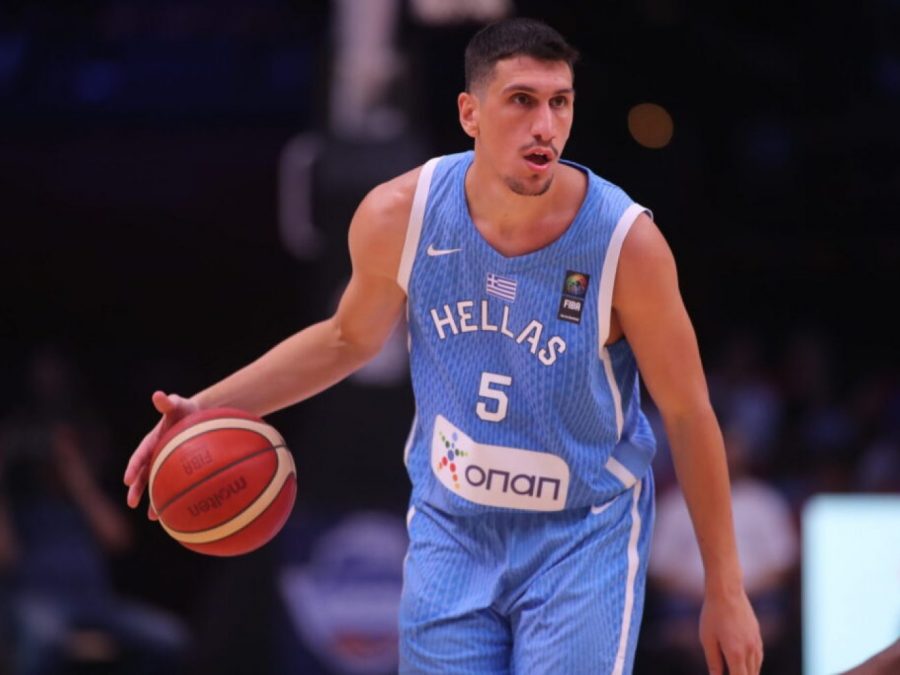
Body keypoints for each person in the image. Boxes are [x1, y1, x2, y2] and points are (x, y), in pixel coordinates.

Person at [124, 17, 762, 674]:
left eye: (560, 102)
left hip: (580, 532)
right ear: (470, 113)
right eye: (522, 100)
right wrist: (202, 407)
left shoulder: (626, 244)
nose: (545, 124)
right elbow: (345, 339)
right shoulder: (399, 215)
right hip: (453, 529)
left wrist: (726, 587)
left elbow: (687, 412)